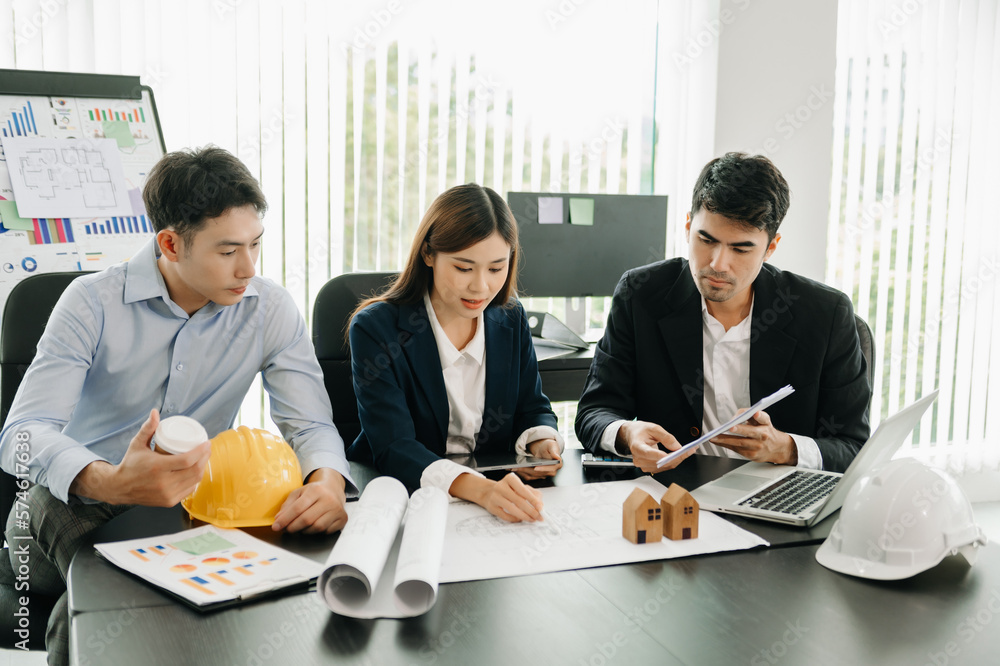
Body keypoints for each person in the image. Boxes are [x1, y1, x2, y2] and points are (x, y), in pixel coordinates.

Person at [0, 146, 353, 664]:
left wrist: (326, 480)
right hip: (69, 499)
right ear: (170, 243)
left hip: (186, 506)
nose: (248, 267)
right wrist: (107, 478)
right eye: (228, 251)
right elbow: (22, 432)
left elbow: (311, 425)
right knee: (108, 593)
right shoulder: (91, 302)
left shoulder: (269, 308)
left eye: (256, 245)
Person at [576, 152, 871, 474]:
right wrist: (625, 433)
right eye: (706, 239)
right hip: (678, 492)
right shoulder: (641, 294)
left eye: (741, 248)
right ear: (688, 225)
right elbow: (595, 411)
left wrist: (784, 447)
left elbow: (854, 446)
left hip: (777, 494)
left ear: (771, 247)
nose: (718, 263)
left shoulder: (825, 314)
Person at [348, 183, 563, 522]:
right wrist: (481, 490)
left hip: (490, 502)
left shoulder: (510, 317)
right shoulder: (377, 329)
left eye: (496, 268)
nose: (481, 287)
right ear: (429, 254)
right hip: (402, 500)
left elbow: (532, 406)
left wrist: (539, 442)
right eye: (464, 268)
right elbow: (394, 446)